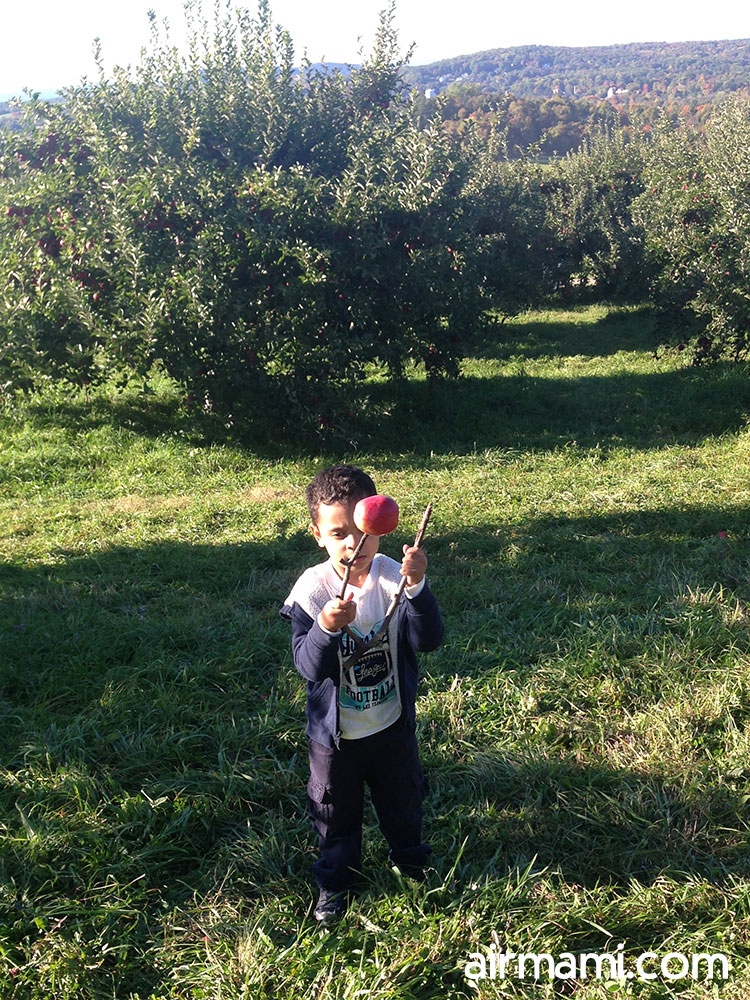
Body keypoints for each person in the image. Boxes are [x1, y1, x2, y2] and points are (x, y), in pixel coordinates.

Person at [280, 464, 444, 923]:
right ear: (317, 535)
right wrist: (327, 628)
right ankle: (335, 885)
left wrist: (417, 587)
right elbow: (307, 667)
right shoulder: (313, 591)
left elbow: (427, 640)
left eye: (362, 530)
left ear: (380, 525)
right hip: (335, 741)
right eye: (338, 534)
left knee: (403, 802)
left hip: (391, 725)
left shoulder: (394, 575)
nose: (353, 544)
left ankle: (410, 863)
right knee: (334, 815)